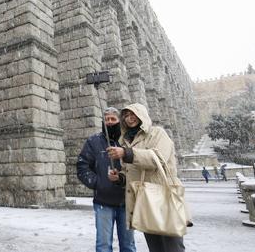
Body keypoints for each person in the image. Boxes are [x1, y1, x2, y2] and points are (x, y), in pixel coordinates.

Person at [107, 103, 187, 252]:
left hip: (163, 196)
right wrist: (120, 178)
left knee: (172, 246)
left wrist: (127, 153)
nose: (129, 119)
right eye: (126, 116)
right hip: (144, 200)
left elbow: (158, 159)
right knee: (154, 246)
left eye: (133, 115)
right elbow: (129, 169)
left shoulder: (157, 133)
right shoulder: (125, 141)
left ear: (141, 115)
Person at [77, 107, 136, 252]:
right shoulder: (93, 141)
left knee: (128, 246)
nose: (109, 122)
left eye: (113, 119)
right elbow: (82, 166)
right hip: (103, 202)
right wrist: (98, 183)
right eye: (107, 119)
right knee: (103, 246)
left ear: (119, 121)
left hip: (126, 201)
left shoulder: (128, 140)